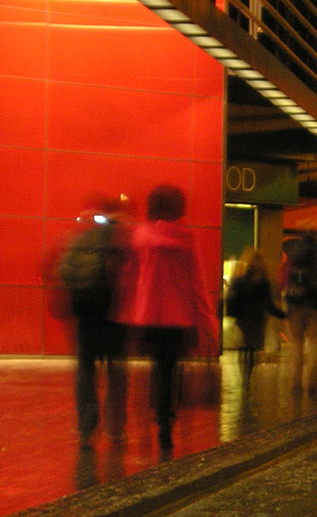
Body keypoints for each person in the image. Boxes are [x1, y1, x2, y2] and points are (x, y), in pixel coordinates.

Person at [114, 184, 219, 453]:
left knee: (153, 368)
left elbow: (131, 278)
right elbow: (197, 282)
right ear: (178, 207)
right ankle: (166, 423)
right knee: (172, 370)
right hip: (178, 318)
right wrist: (208, 322)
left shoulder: (140, 236)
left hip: (146, 316)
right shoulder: (186, 238)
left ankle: (152, 419)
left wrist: (127, 312)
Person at [59, 195, 130, 448]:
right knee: (116, 372)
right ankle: (115, 428)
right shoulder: (123, 239)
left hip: (87, 313)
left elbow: (64, 271)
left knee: (86, 371)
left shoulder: (80, 239)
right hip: (115, 314)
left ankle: (87, 428)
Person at [277, 230, 317, 394]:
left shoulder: (293, 254)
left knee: (296, 343)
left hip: (295, 304)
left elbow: (282, 278)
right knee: (316, 342)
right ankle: (311, 382)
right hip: (316, 305)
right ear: (316, 238)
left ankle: (294, 382)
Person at [225, 248, 285, 382]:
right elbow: (268, 302)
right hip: (257, 318)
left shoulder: (241, 277)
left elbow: (234, 297)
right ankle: (248, 373)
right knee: (253, 347)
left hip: (243, 317)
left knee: (245, 345)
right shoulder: (263, 281)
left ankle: (244, 373)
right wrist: (281, 314)